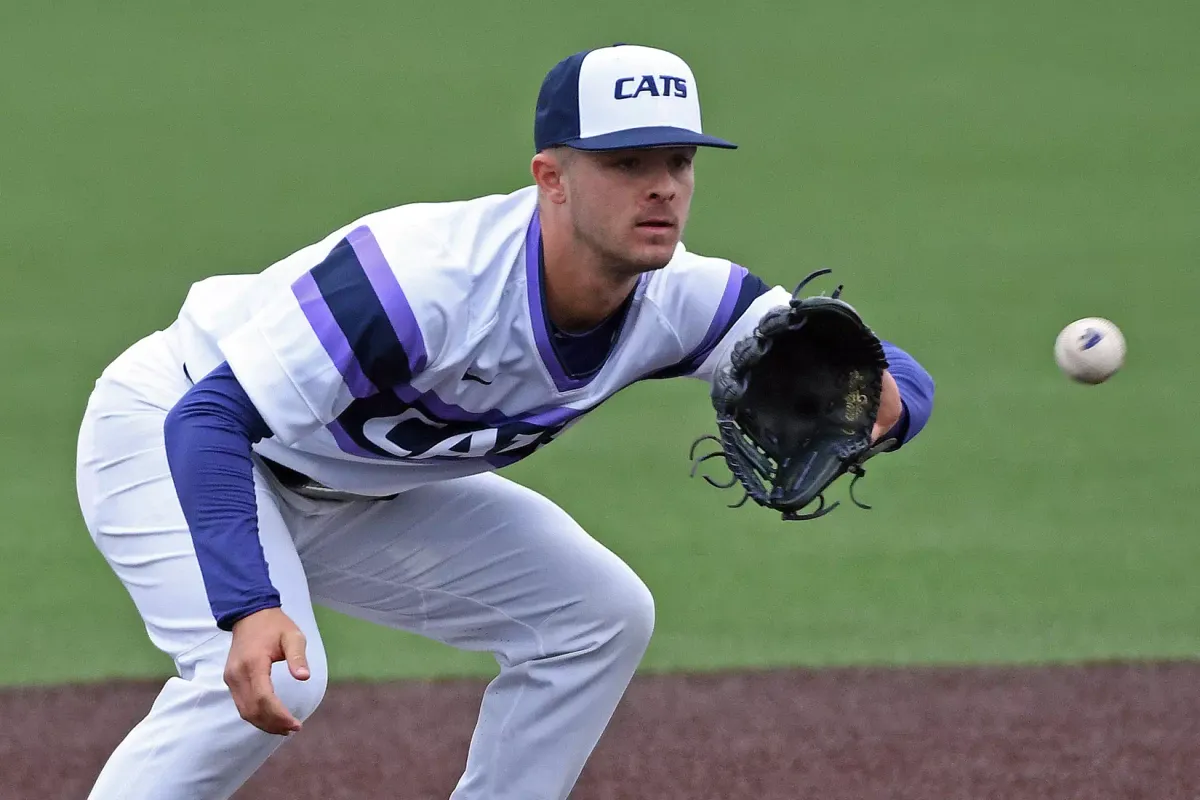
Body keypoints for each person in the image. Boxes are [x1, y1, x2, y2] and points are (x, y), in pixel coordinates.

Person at [75, 43, 934, 800]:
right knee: (275, 682)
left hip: (352, 484)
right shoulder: (422, 283)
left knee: (597, 617)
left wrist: (891, 409)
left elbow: (877, 368)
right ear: (551, 178)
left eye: (678, 161)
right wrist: (249, 603)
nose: (662, 187)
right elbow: (211, 416)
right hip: (174, 433)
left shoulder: (682, 297)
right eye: (627, 162)